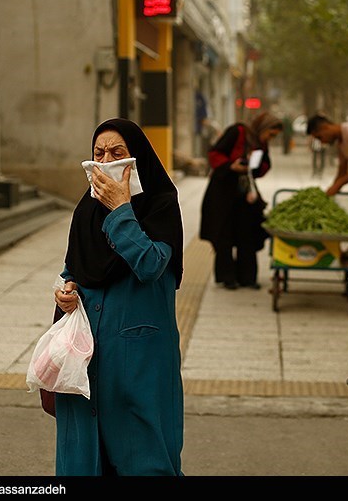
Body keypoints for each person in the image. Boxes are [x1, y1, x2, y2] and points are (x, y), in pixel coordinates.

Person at [53, 117, 185, 476]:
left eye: (118, 152)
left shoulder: (160, 205)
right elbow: (73, 269)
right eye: (99, 153)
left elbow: (150, 264)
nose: (106, 160)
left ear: (137, 158)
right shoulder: (86, 210)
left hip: (139, 361)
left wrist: (122, 211)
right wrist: (65, 292)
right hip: (85, 359)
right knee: (83, 461)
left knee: (144, 459)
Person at [199, 111, 283, 290]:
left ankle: (248, 277)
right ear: (263, 127)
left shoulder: (261, 143)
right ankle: (227, 276)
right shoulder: (237, 132)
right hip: (223, 192)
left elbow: (265, 166)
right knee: (225, 234)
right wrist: (231, 166)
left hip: (245, 193)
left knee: (247, 233)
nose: (270, 138)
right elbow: (215, 153)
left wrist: (254, 165)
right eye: (271, 134)